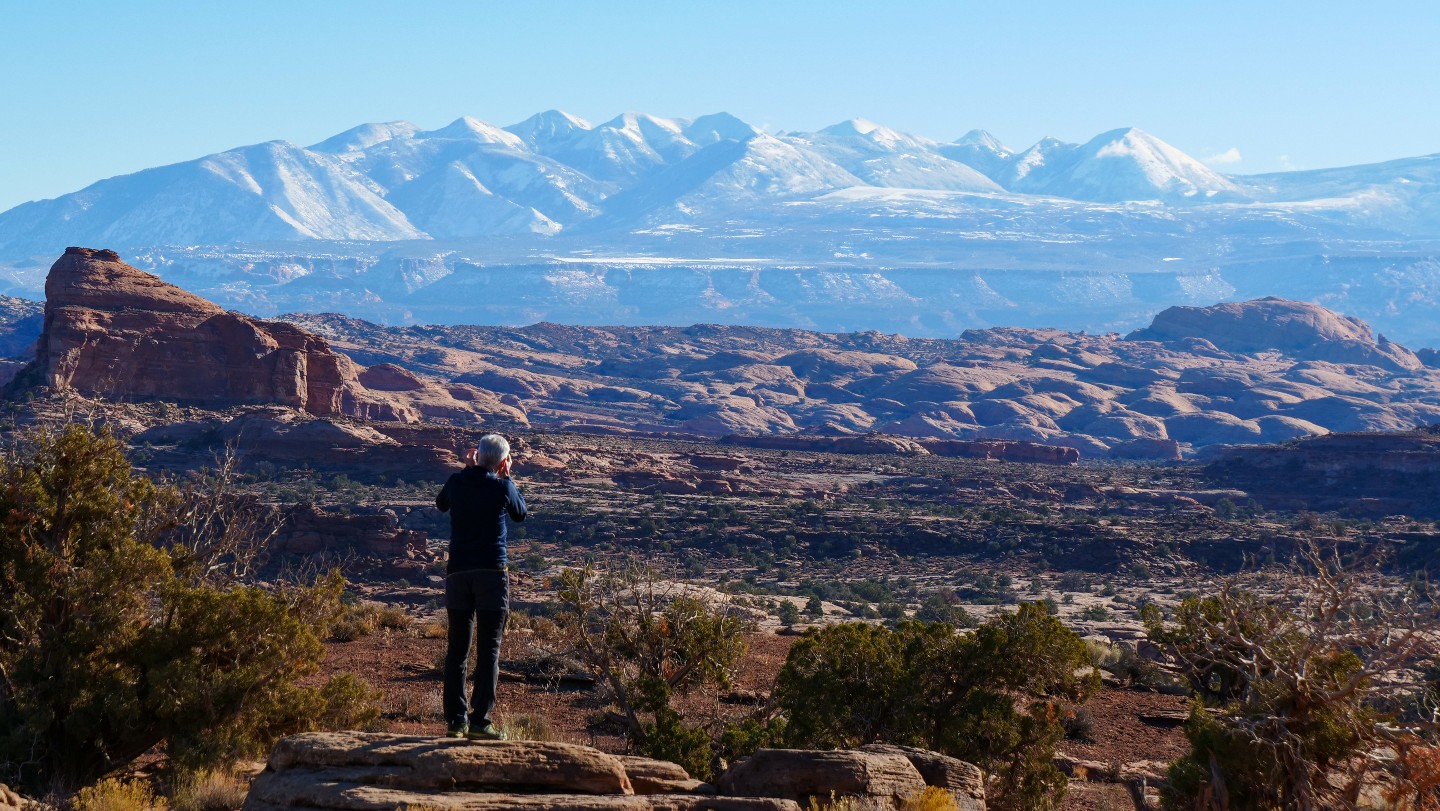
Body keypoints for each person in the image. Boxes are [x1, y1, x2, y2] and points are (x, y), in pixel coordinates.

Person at [435, 433, 527, 740]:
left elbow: (441, 504)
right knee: (489, 649)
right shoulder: (502, 485)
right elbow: (520, 514)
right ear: (503, 461)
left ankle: (455, 722)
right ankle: (480, 722)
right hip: (491, 574)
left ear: (476, 457)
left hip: (458, 573)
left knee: (457, 650)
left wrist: (466, 470)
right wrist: (507, 475)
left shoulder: (457, 481)